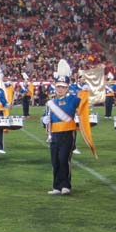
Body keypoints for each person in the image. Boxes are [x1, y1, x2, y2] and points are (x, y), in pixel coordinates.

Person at [42, 59, 82, 195]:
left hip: (67, 133)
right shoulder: (51, 102)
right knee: (55, 161)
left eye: (63, 87)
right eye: (58, 86)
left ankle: (66, 185)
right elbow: (45, 119)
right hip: (54, 134)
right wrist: (44, 120)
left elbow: (82, 101)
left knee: (64, 159)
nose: (60, 89)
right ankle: (56, 187)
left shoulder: (72, 98)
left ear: (67, 87)